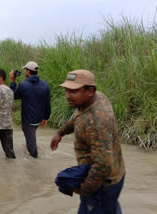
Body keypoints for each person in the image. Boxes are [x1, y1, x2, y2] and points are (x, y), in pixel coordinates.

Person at [50, 69, 125, 213]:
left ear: (89, 91)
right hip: (115, 173)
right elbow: (77, 116)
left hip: (102, 182)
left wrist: (85, 190)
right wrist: (61, 132)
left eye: (73, 91)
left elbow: (103, 165)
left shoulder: (96, 121)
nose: (67, 96)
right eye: (66, 90)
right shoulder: (96, 98)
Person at [9, 61, 51, 158]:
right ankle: (31, 151)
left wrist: (13, 81)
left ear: (28, 71)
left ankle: (35, 164)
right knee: (31, 138)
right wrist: (46, 117)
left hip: (28, 121)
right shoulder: (45, 85)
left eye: (25, 70)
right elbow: (47, 104)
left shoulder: (24, 85)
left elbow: (13, 95)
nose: (24, 71)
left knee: (31, 143)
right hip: (38, 119)